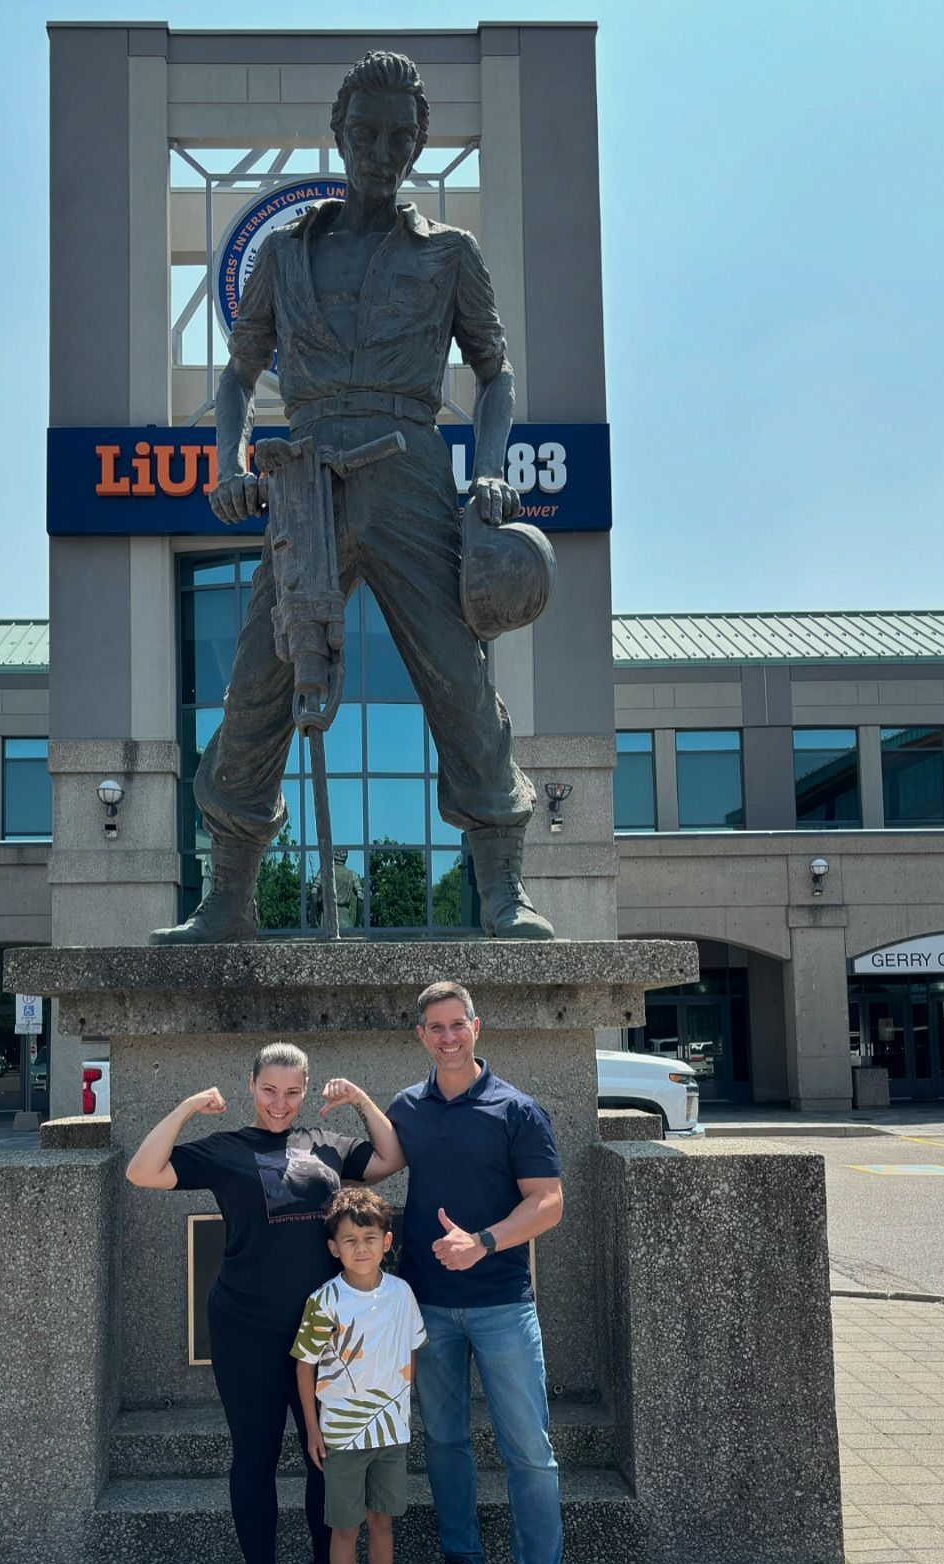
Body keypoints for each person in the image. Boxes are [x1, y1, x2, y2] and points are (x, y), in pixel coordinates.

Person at [151, 48, 552, 947]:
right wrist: (226, 462)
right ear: (339, 133)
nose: (381, 150)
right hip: (305, 482)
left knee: (458, 682)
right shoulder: (286, 255)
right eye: (365, 132)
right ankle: (228, 901)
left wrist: (489, 467)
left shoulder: (450, 254)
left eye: (399, 138)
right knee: (257, 685)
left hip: (411, 470)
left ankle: (504, 893)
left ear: (416, 146)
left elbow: (497, 375)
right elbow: (235, 375)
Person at [124, 1045, 402, 1564]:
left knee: (324, 1458)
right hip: (247, 1327)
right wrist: (186, 1108)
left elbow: (390, 1156)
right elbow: (143, 1171)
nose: (281, 1104)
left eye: (293, 1092)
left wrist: (357, 1100)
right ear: (251, 1086)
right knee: (254, 1457)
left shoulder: (327, 1143)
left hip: (326, 1336)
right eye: (270, 1091)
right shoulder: (225, 1149)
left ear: (306, 1090)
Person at [387, 979, 587, 1564]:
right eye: (435, 1027)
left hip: (502, 1304)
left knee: (529, 1450)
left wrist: (486, 1241)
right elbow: (374, 1167)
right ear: (420, 1035)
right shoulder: (406, 1109)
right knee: (444, 1441)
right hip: (427, 1308)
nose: (448, 1037)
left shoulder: (518, 1110)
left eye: (458, 1025)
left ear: (478, 1027)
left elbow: (550, 1202)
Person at [293, 1187, 425, 1564]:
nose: (361, 1248)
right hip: (342, 1437)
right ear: (334, 1248)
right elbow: (305, 1366)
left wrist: (400, 1407)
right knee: (344, 1528)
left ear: (387, 1241)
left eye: (370, 1238)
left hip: (389, 1433)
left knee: (382, 1523)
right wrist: (312, 1428)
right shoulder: (323, 1301)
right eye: (349, 1240)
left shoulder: (402, 1293)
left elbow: (411, 1351)